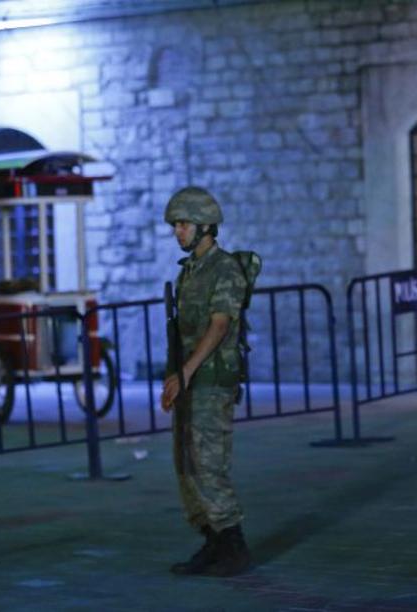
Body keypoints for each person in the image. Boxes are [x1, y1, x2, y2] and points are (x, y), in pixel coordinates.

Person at [160, 186, 261, 577]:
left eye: (183, 224)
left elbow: (220, 326)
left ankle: (234, 547)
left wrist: (185, 372)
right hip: (188, 380)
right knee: (185, 464)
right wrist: (175, 375)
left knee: (208, 464)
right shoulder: (189, 272)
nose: (177, 232)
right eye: (176, 225)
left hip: (211, 380)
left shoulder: (225, 270)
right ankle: (213, 542)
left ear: (205, 226)